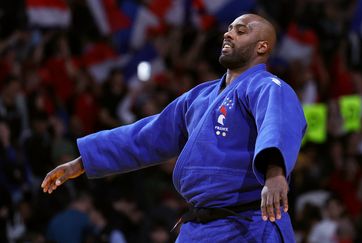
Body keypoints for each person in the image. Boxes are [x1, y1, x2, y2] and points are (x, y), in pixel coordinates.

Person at [41, 14, 307, 242]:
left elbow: (278, 124)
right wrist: (83, 161)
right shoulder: (198, 97)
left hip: (249, 224)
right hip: (198, 229)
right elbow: (146, 136)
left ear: (262, 47)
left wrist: (274, 174)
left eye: (241, 31)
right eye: (228, 29)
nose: (229, 34)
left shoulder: (267, 86)